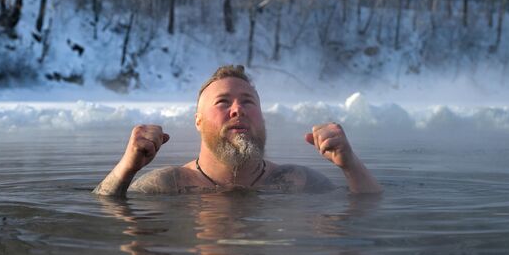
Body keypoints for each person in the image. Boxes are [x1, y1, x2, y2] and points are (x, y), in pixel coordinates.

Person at [92, 65, 381, 196]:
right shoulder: (169, 184)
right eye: (222, 102)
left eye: (247, 102)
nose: (237, 109)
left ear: (262, 118)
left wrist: (350, 165)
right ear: (198, 120)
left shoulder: (297, 181)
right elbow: (104, 208)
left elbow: (367, 208)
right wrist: (127, 169)